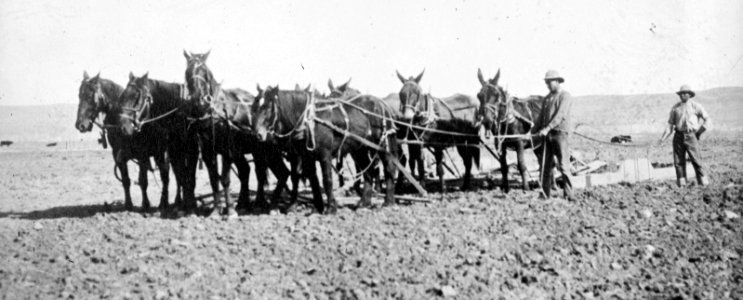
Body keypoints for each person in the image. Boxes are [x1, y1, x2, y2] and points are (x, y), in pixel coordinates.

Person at [533, 70, 574, 201]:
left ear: (557, 81)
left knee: (563, 166)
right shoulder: (546, 99)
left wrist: (547, 128)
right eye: (546, 82)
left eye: (549, 82)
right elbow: (540, 118)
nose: (547, 85)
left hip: (560, 135)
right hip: (547, 137)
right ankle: (545, 194)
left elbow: (560, 115)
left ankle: (569, 195)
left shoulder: (565, 96)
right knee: (545, 166)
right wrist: (532, 131)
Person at [658, 85, 711, 187]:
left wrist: (699, 132)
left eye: (685, 93)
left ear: (689, 95)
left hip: (691, 136)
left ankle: (704, 184)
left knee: (696, 160)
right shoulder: (675, 108)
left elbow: (707, 119)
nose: (683, 95)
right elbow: (670, 126)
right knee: (678, 162)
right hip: (678, 136)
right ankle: (682, 185)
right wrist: (662, 139)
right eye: (681, 93)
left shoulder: (696, 106)